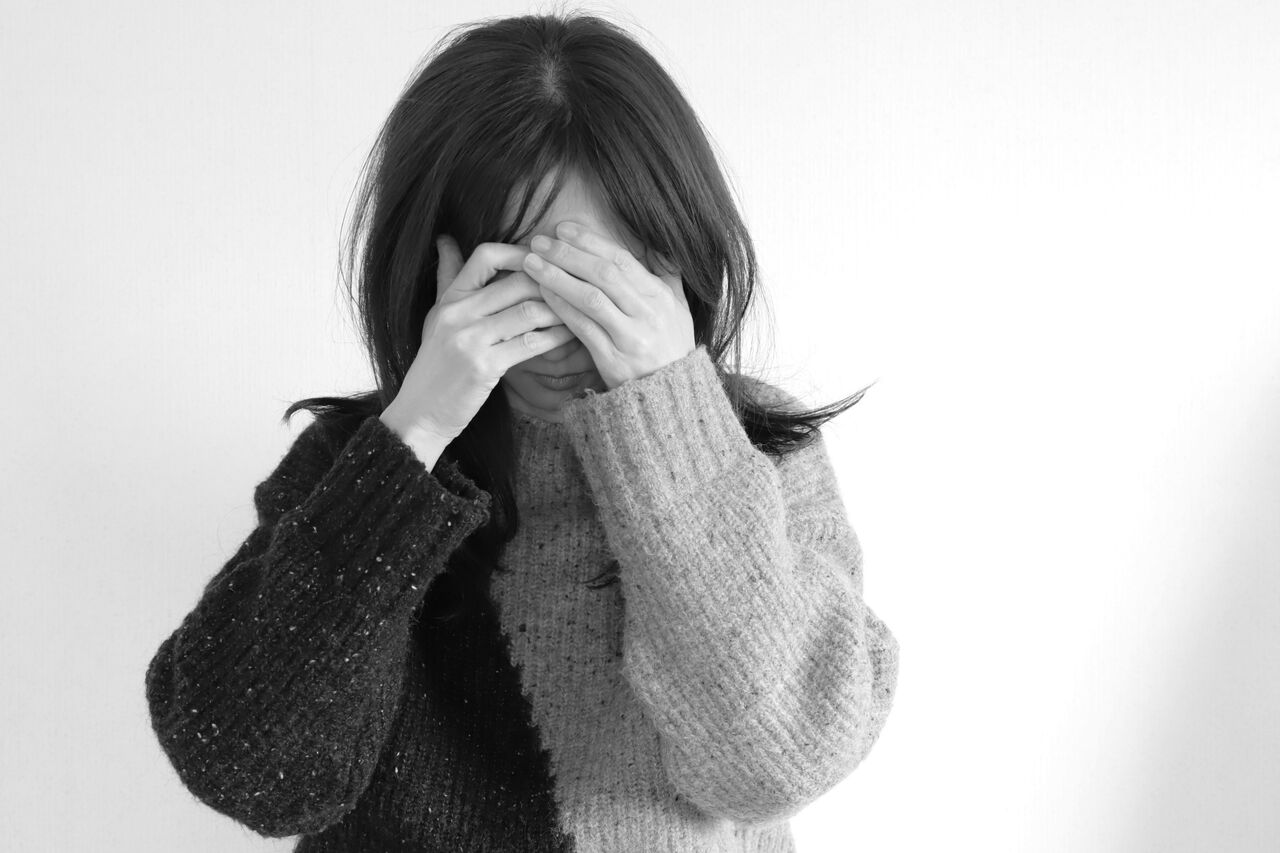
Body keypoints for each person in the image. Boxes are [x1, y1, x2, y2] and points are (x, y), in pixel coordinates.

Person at [144, 11, 900, 852]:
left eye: (609, 283)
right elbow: (250, 771)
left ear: (677, 261)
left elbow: (779, 763)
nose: (569, 332)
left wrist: (673, 427)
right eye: (520, 282)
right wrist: (412, 440)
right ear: (435, 274)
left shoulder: (751, 449)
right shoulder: (360, 466)